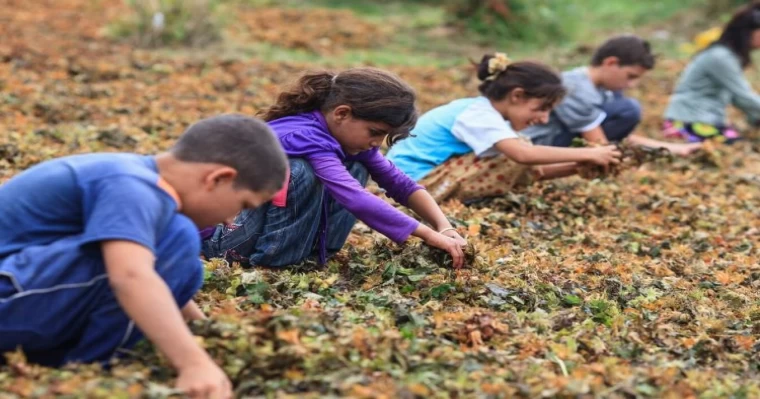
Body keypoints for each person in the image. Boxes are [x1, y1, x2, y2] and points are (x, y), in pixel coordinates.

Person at [0, 115, 289, 399]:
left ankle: (73, 360)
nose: (230, 220)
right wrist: (193, 363)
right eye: (241, 205)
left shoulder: (135, 176)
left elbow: (161, 276)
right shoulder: (132, 186)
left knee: (181, 256)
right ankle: (86, 370)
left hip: (23, 294)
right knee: (178, 238)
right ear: (218, 178)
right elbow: (131, 276)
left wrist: (204, 333)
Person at [201, 68, 469, 269]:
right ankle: (272, 264)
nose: (376, 143)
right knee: (299, 172)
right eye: (374, 132)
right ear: (342, 114)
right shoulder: (304, 136)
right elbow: (356, 198)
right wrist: (427, 234)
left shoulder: (345, 139)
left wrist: (443, 227)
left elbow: (400, 183)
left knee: (357, 165)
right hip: (222, 239)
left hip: (254, 229)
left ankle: (313, 253)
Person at [385, 54, 622, 203]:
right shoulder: (479, 114)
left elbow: (526, 164)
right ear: (517, 95)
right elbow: (523, 157)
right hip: (410, 183)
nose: (543, 118)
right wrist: (589, 152)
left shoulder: (485, 114)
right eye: (542, 108)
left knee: (516, 151)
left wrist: (576, 166)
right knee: (516, 153)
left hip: (418, 179)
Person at [523, 35, 702, 155]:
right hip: (540, 145)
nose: (632, 84)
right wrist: (613, 162)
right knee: (629, 109)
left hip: (565, 141)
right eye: (630, 76)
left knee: (624, 107)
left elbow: (618, 137)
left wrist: (671, 149)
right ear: (610, 63)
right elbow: (599, 143)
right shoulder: (576, 88)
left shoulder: (603, 91)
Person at [664, 3, 760, 144]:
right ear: (748, 32)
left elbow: (739, 99)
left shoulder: (728, 56)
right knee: (738, 147)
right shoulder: (720, 57)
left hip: (706, 119)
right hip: (690, 121)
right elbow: (744, 96)